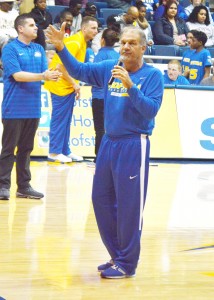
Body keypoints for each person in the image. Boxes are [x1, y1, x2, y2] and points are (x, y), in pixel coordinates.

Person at [46, 23, 164, 278]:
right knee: (100, 200)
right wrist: (60, 47)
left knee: (129, 207)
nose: (126, 47)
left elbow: (151, 111)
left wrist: (131, 86)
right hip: (109, 144)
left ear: (143, 47)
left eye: (132, 43)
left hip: (134, 143)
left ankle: (128, 263)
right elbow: (78, 69)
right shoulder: (108, 70)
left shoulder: (153, 76)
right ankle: (117, 255)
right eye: (123, 42)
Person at [0, 13, 61, 201]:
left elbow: (45, 73)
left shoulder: (38, 49)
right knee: (9, 149)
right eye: (32, 25)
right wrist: (43, 76)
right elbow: (17, 75)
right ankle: (3, 185)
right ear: (21, 28)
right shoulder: (10, 49)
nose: (36, 28)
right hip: (14, 108)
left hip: (33, 108)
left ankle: (24, 186)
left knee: (26, 149)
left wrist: (51, 74)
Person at [44, 16, 98, 163]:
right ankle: (54, 152)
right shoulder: (75, 42)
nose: (96, 31)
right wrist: (74, 84)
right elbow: (61, 66)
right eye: (93, 28)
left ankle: (64, 150)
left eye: (97, 28)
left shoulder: (81, 41)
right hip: (60, 84)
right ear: (84, 28)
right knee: (59, 119)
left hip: (66, 85)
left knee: (66, 120)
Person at [91, 28, 120, 162]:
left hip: (100, 97)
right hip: (115, 97)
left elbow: (93, 77)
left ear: (102, 40)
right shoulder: (117, 57)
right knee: (114, 128)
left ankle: (100, 158)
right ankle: (113, 157)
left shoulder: (99, 56)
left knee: (100, 129)